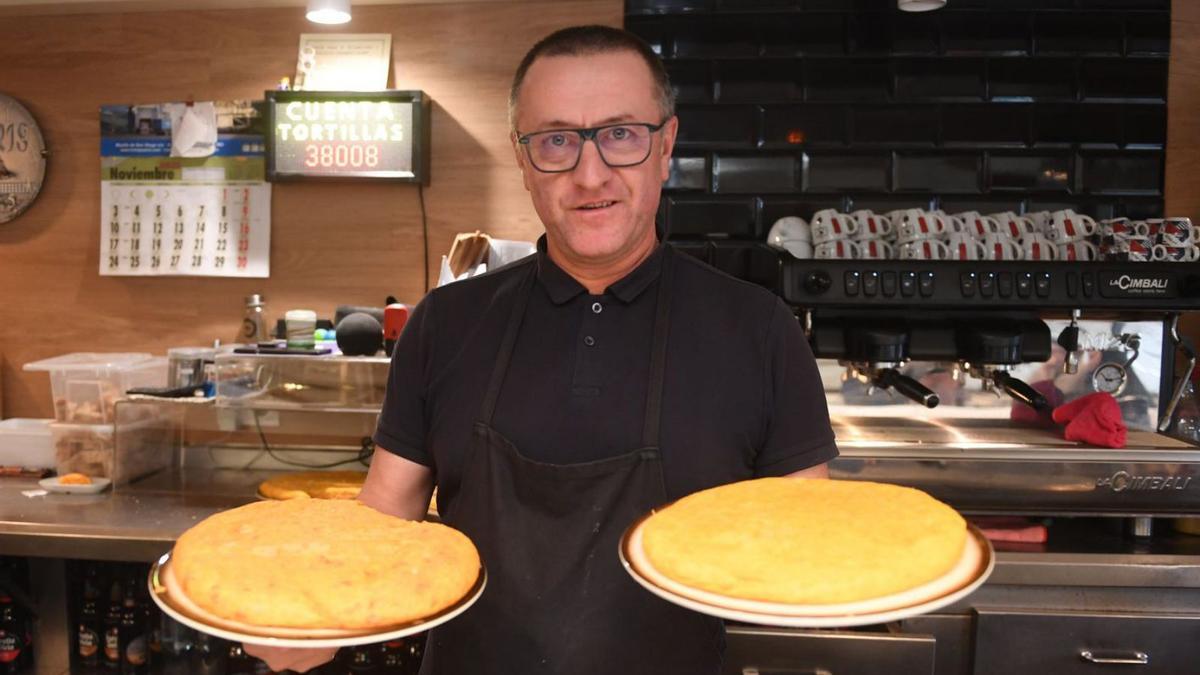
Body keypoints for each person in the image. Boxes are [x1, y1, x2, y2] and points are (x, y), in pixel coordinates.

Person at [247, 24, 836, 675]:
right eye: (556, 140)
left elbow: (803, 550)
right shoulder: (445, 323)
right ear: (523, 159)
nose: (590, 174)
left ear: (665, 147)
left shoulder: (760, 331)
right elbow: (383, 527)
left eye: (620, 134)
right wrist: (308, 610)